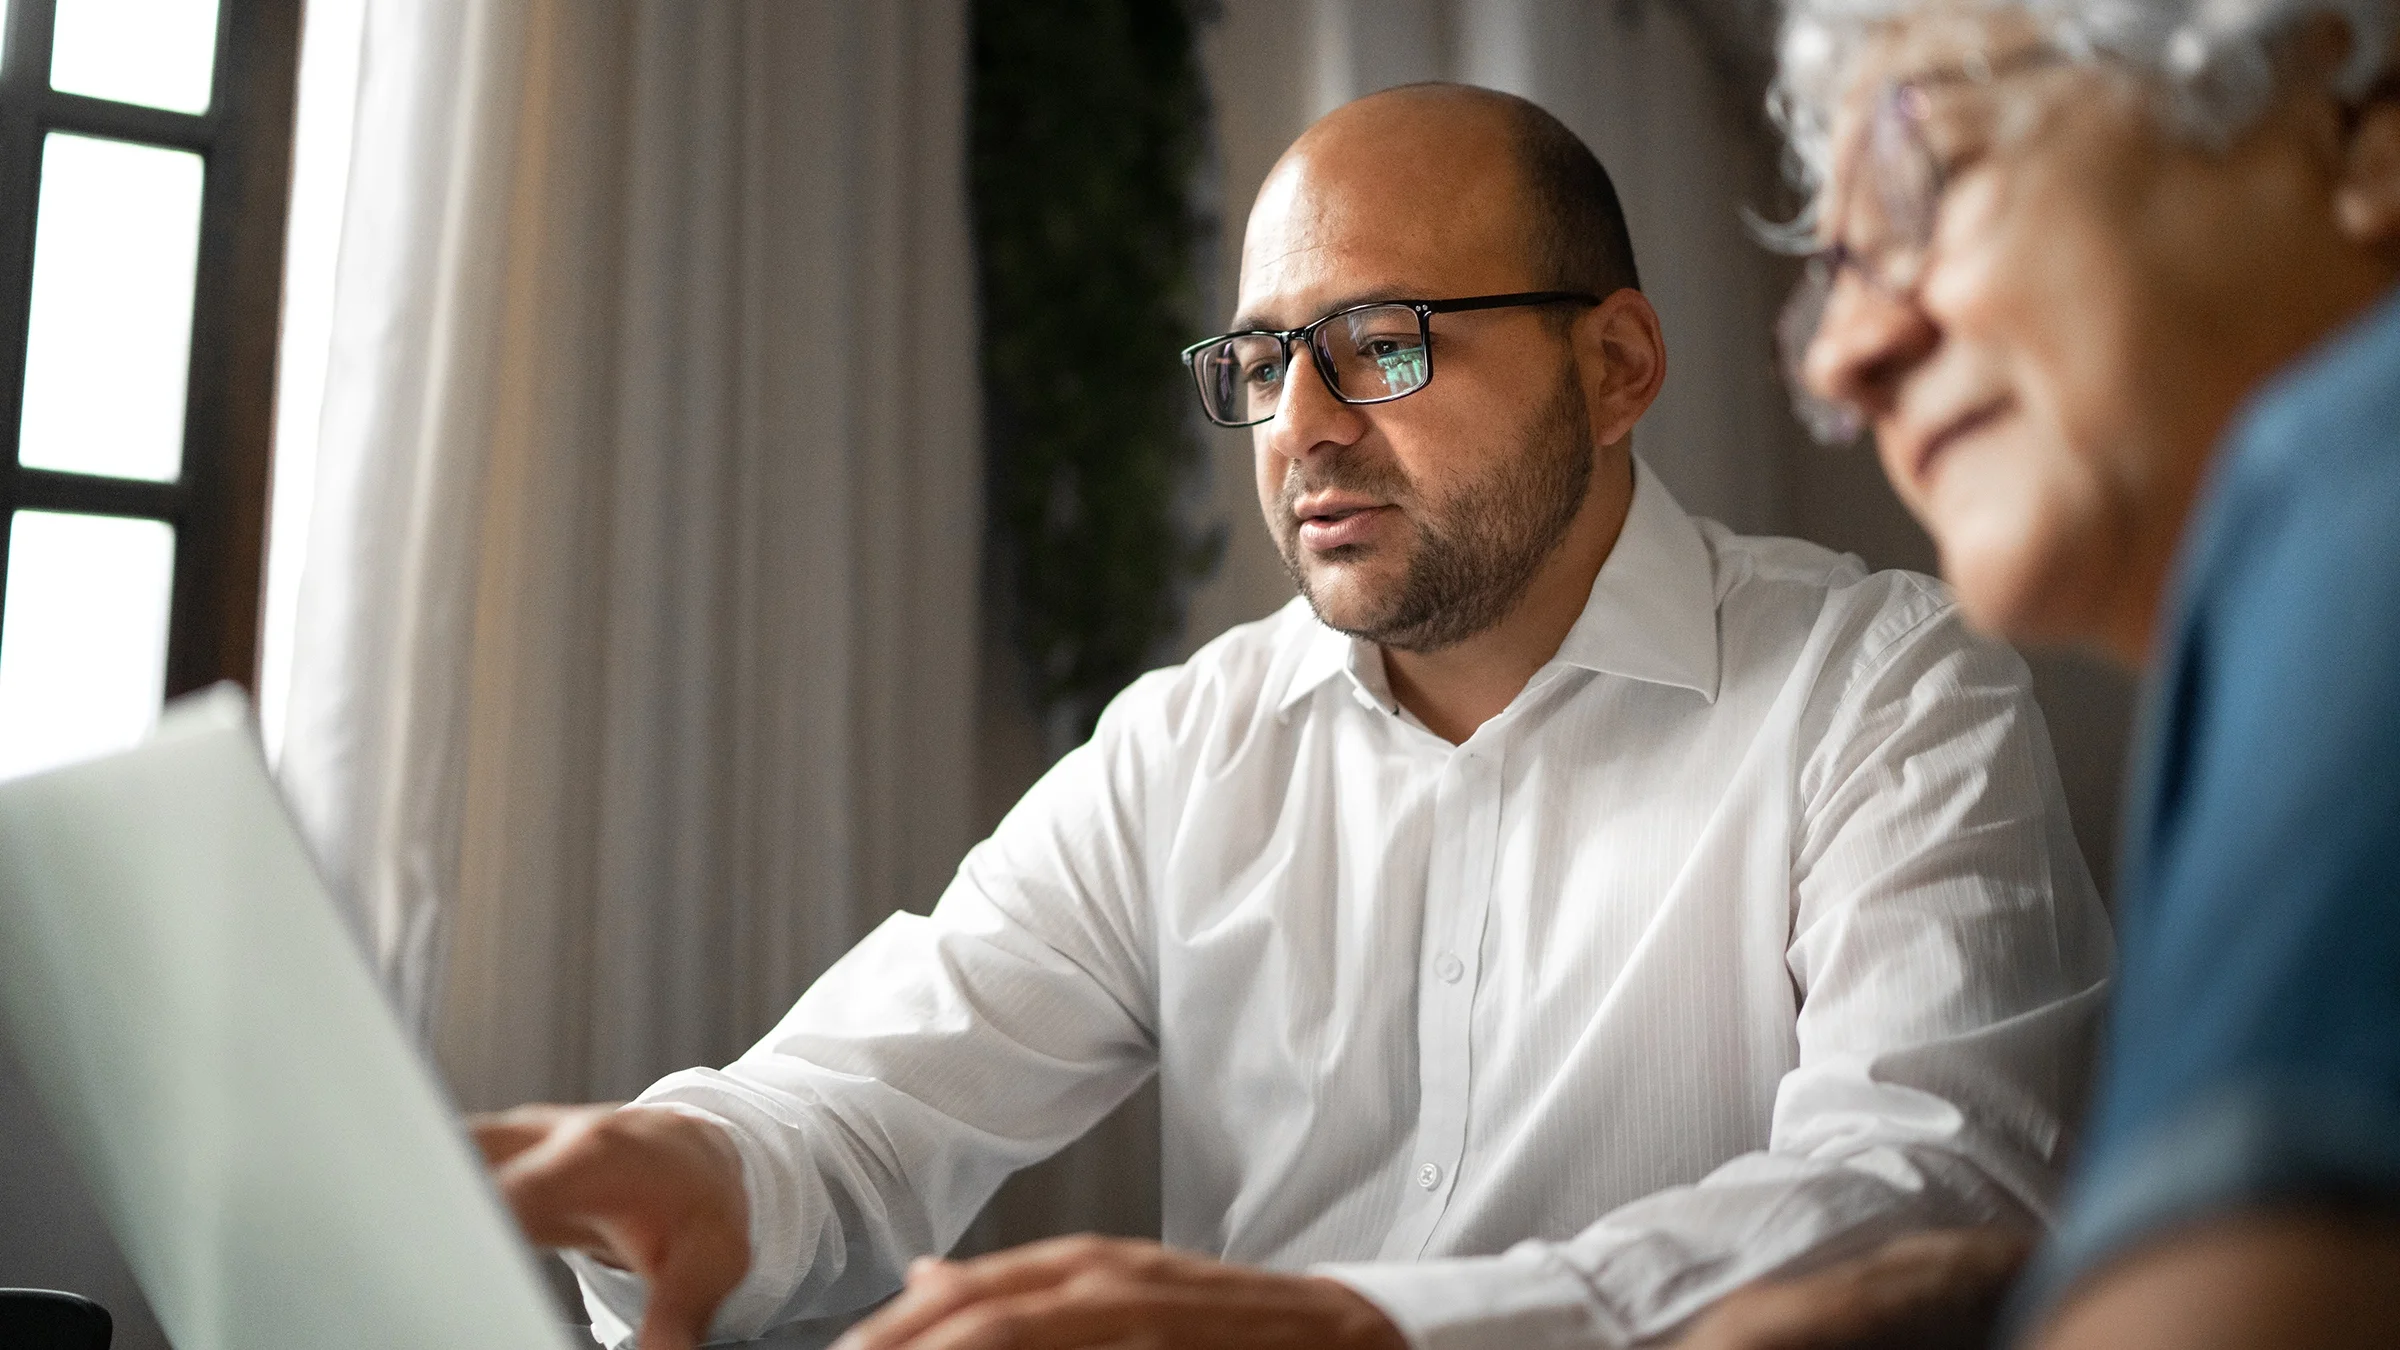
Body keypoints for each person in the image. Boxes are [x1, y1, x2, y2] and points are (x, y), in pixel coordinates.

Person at [476, 83, 2112, 1350]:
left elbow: (1930, 1198)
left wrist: (1369, 1327)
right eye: (1263, 361)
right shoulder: (1190, 746)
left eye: (1379, 346)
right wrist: (692, 1169)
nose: (1302, 429)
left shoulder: (1888, 692)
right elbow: (870, 1100)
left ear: (1614, 365)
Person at [1693, 1, 2400, 1346]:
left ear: (2364, 133)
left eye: (1931, 185)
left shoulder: (2360, 469)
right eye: (1834, 274)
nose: (1847, 354)